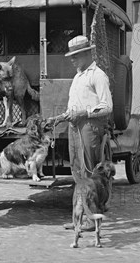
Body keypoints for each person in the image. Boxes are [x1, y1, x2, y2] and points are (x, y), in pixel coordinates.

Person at [48, 35, 113, 231]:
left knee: (91, 175)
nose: (72, 59)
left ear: (87, 53)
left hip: (90, 127)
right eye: (71, 56)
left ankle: (92, 220)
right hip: (75, 127)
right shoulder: (78, 77)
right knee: (77, 172)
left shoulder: (98, 75)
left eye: (75, 55)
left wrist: (85, 113)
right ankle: (80, 217)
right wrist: (59, 118)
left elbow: (107, 106)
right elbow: (73, 107)